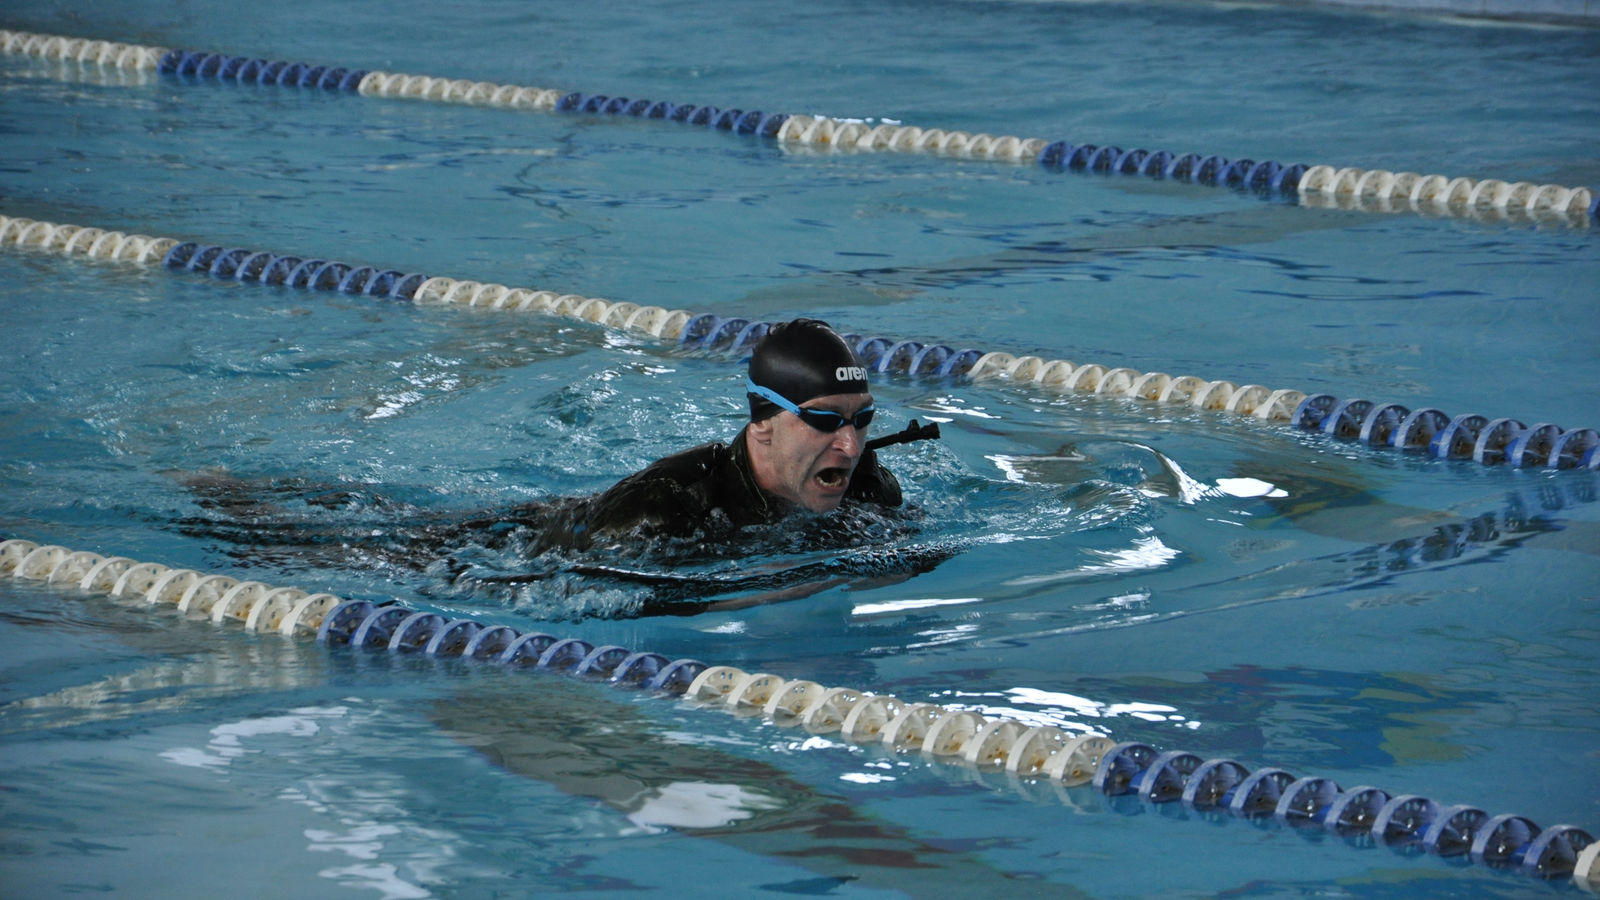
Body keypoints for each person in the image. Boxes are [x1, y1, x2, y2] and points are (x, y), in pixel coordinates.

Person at [571, 318, 905, 546]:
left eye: (862, 418)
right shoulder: (666, 509)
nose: (850, 447)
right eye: (824, 420)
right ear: (762, 423)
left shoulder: (868, 488)